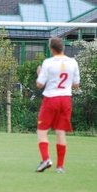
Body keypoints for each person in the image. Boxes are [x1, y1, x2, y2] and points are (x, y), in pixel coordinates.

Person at [35, 37, 80, 173]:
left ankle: (46, 159)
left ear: (51, 49)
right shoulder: (73, 62)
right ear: (63, 48)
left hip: (51, 99)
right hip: (66, 99)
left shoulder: (48, 63)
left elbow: (39, 84)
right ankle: (60, 167)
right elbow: (76, 85)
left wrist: (39, 74)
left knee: (42, 130)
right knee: (60, 132)